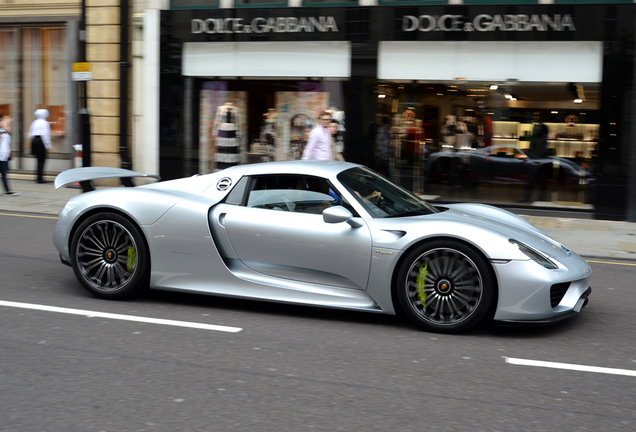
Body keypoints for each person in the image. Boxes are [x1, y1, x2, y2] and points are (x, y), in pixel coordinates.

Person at [520, 111, 550, 203]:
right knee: (532, 178)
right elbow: (533, 141)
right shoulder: (535, 127)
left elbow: (542, 143)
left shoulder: (544, 128)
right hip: (533, 156)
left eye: (537, 115)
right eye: (534, 115)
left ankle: (539, 198)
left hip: (538, 157)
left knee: (539, 179)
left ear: (542, 117)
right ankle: (527, 198)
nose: (535, 117)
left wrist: (538, 156)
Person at [29, 108, 51, 183]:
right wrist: (47, 146)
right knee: (42, 160)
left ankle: (38, 176)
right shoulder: (45, 123)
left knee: (38, 160)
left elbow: (31, 134)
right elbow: (45, 135)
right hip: (41, 141)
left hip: (34, 140)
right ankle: (40, 178)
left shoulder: (34, 122)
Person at [0, 115, 20, 196]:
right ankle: (7, 190)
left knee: (4, 173)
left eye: (1, 120)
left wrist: (9, 152)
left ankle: (7, 190)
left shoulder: (5, 133)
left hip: (4, 156)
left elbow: (7, 144)